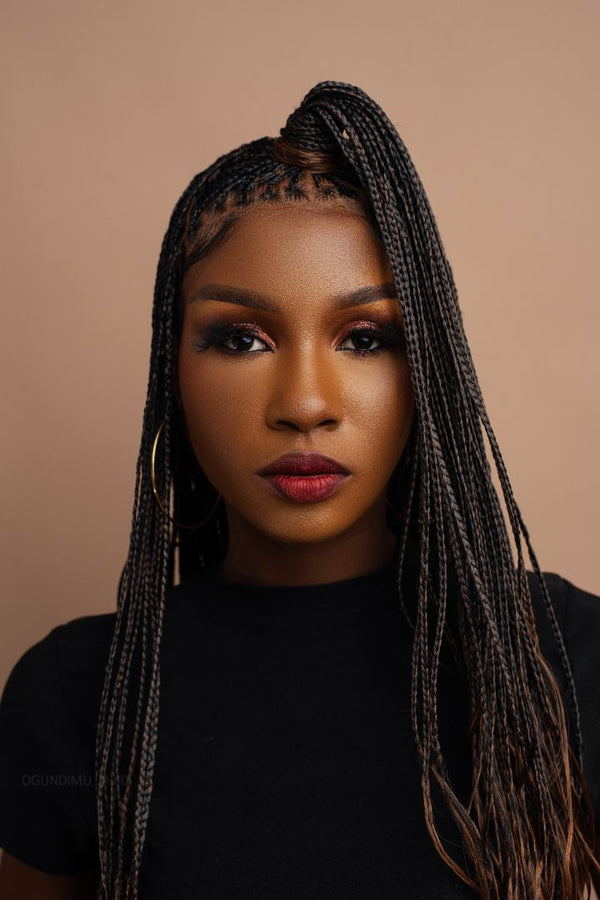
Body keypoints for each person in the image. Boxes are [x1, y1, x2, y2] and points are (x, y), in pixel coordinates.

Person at [0, 80, 598, 900]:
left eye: (365, 337)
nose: (305, 404)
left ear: (430, 370)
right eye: (241, 338)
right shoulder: (77, 695)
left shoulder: (566, 661)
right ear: (172, 372)